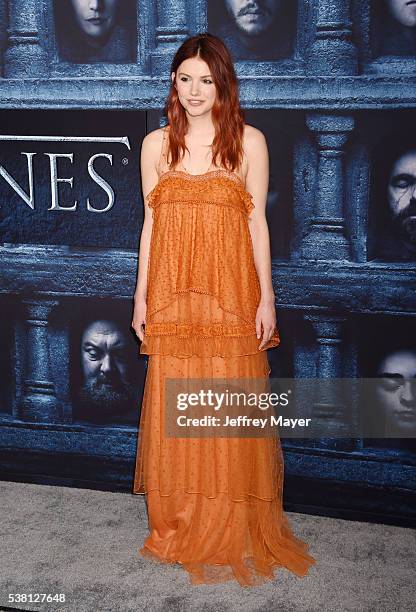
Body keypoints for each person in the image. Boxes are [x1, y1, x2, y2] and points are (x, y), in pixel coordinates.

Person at [131, 33, 316, 586]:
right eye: (185, 79)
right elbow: (151, 226)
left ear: (223, 85)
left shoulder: (249, 143)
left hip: (232, 295)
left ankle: (229, 519)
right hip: (174, 294)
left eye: (206, 81)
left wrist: (268, 297)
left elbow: (258, 224)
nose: (194, 91)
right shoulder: (154, 146)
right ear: (173, 83)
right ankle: (180, 518)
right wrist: (141, 296)